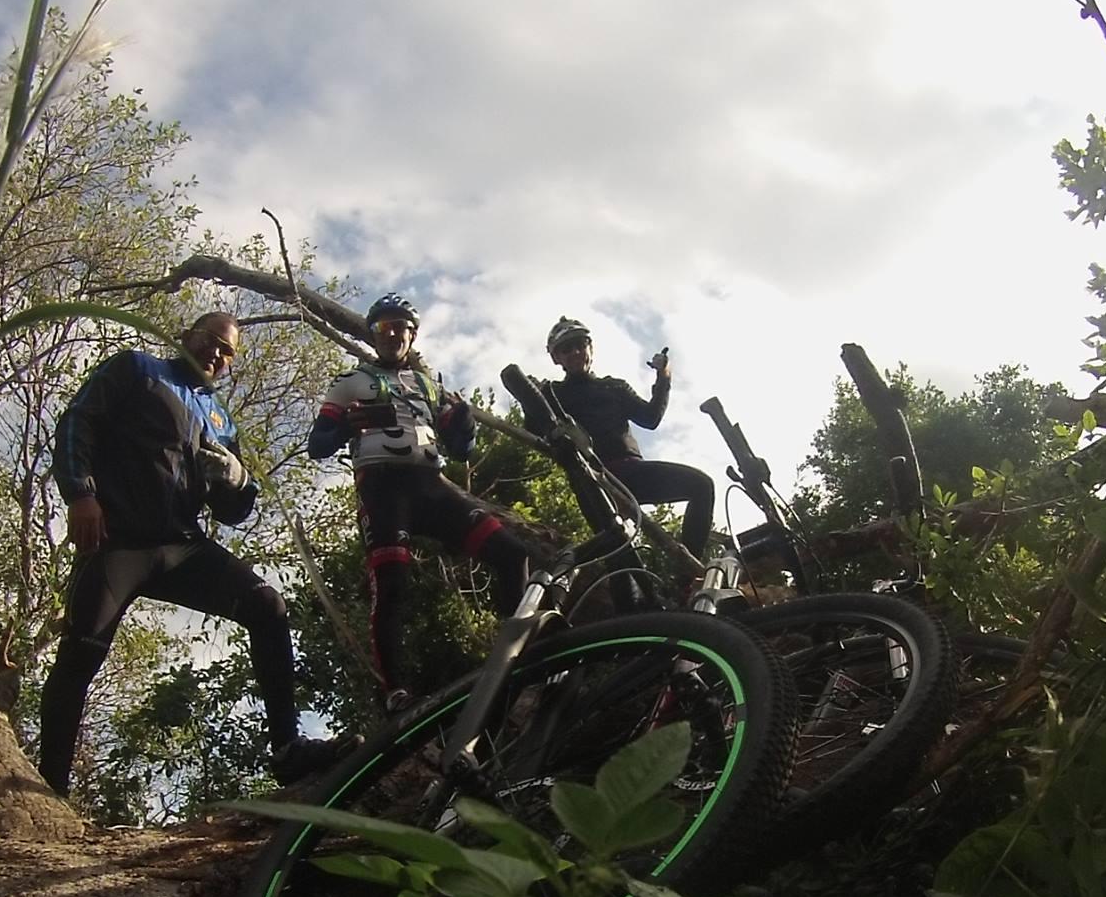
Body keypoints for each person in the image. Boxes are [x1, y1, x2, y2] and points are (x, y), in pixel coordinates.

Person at [38, 310, 353, 797]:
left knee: (268, 606)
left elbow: (234, 512)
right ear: (185, 334)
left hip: (183, 546)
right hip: (117, 542)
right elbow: (78, 420)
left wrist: (238, 479)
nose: (218, 354)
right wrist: (80, 493)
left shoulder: (220, 417)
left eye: (228, 351)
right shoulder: (136, 369)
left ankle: (288, 750)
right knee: (80, 656)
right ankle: (50, 791)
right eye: (212, 341)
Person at [307, 293, 533, 712]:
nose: (393, 333)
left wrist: (466, 425)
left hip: (430, 484)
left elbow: (462, 448)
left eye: (402, 327)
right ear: (373, 333)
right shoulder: (348, 381)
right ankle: (396, 692)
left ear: (413, 335)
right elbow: (316, 445)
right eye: (383, 327)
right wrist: (345, 429)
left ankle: (513, 657)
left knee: (511, 553)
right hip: (382, 487)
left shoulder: (429, 386)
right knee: (392, 584)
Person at [542, 316, 714, 562]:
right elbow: (539, 431)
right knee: (618, 552)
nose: (576, 352)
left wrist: (663, 377)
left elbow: (650, 418)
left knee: (701, 485)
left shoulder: (614, 388)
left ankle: (689, 577)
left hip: (631, 473)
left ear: (591, 348)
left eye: (580, 345)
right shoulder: (552, 394)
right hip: (592, 482)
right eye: (566, 349)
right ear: (556, 358)